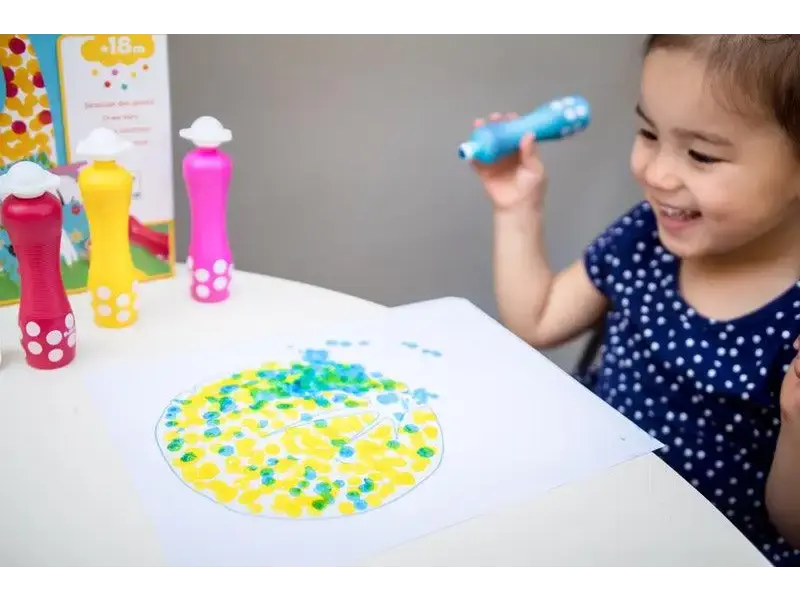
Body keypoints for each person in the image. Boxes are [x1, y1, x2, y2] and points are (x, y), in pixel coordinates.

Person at [470, 33, 800, 567]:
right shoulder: (646, 235)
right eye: (648, 132)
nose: (656, 172)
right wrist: (517, 208)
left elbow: (795, 527)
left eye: (700, 154)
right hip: (588, 502)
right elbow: (538, 320)